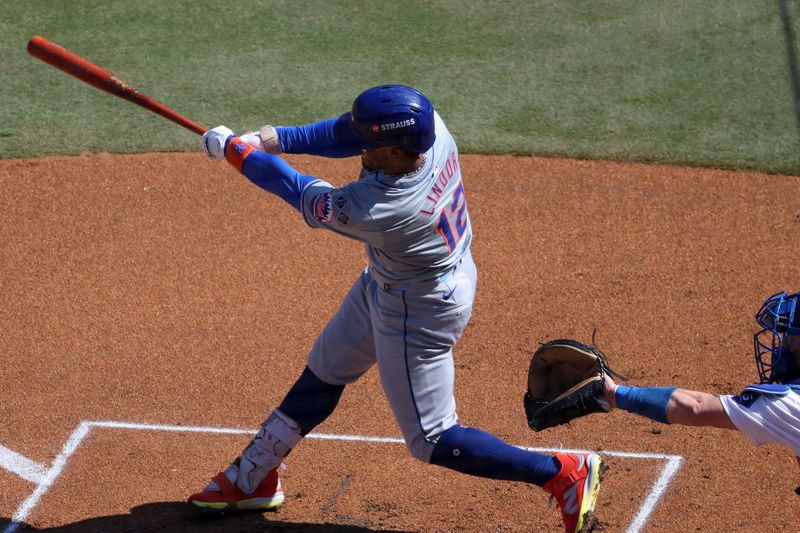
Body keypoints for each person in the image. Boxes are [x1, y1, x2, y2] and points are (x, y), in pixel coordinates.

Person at [187, 84, 603, 532]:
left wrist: (236, 152)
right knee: (326, 369)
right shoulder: (430, 128)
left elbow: (294, 186)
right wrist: (271, 140)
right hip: (410, 278)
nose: (357, 143)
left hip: (417, 307)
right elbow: (344, 133)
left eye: (368, 142)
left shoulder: (381, 208)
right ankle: (255, 476)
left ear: (391, 149)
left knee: (431, 439)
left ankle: (561, 473)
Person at [602, 290, 800, 461]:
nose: (780, 346)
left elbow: (696, 408)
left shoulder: (784, 405)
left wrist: (616, 394)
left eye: (789, 339)